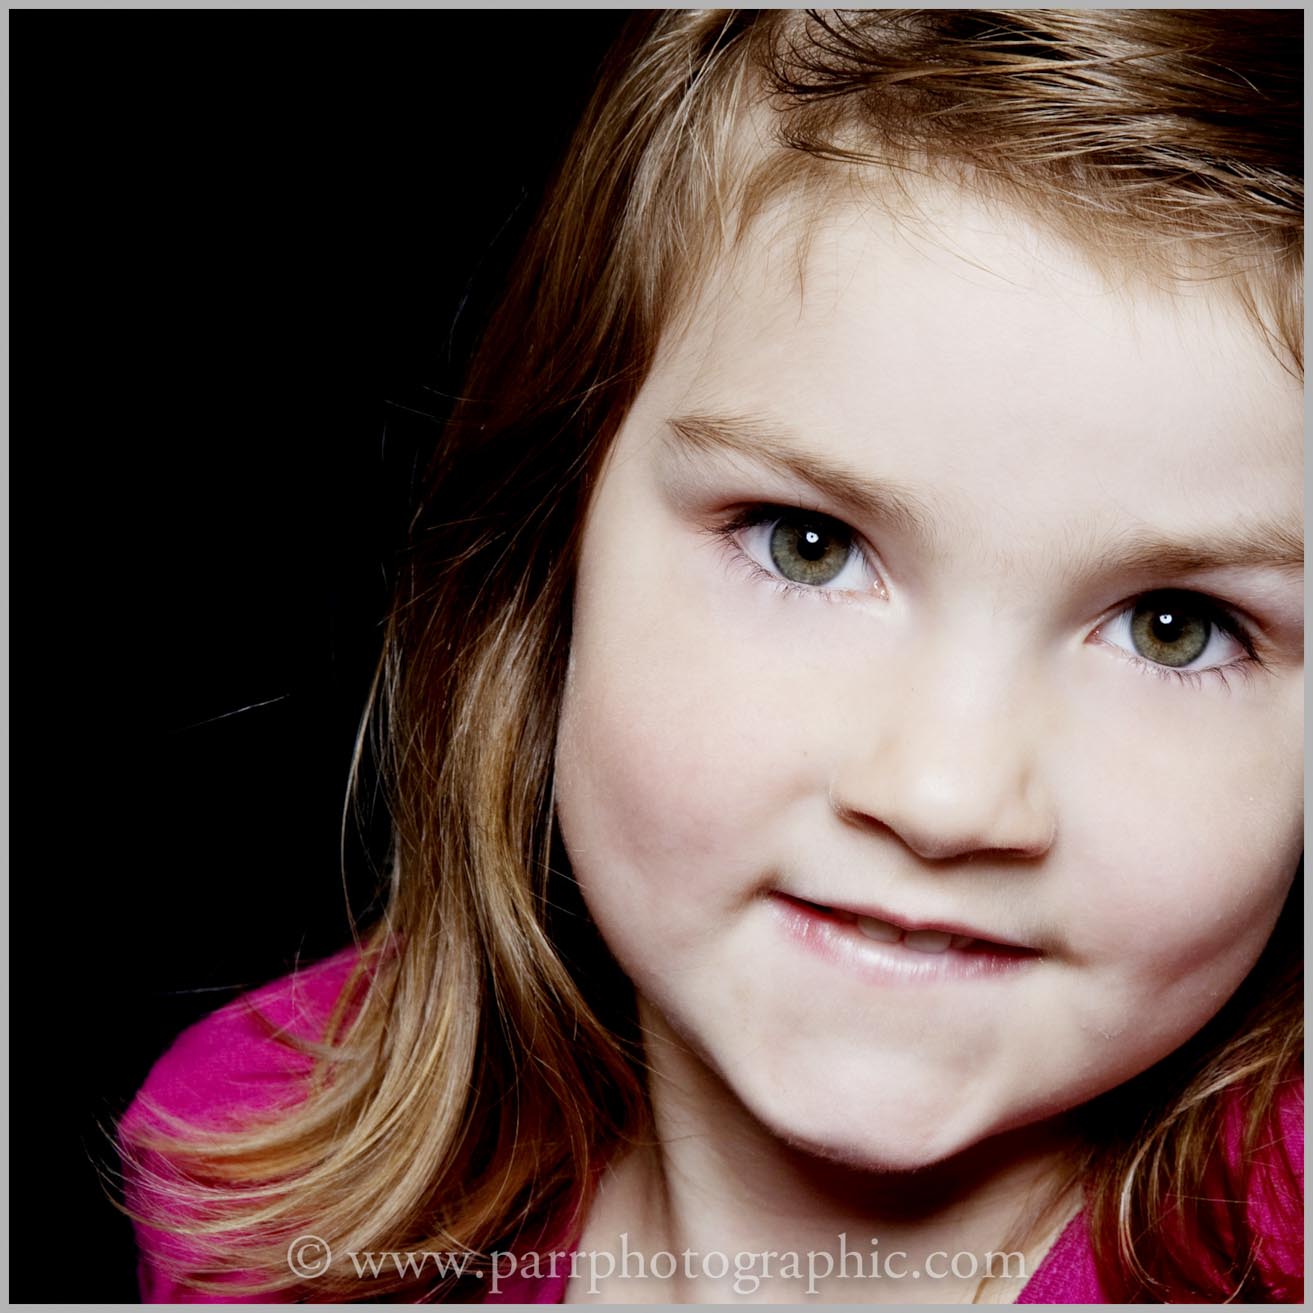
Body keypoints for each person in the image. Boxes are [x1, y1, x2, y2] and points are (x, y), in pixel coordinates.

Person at [118, 10, 1302, 1304]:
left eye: (1171, 627)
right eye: (806, 545)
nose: (945, 795)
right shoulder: (252, 1175)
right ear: (542, 543)